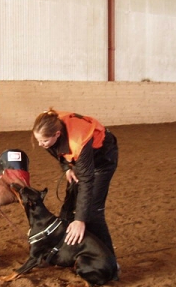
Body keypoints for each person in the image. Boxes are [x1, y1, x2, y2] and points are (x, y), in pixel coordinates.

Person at [32, 108, 118, 253]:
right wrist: (66, 168)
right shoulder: (48, 125)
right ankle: (64, 249)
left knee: (92, 211)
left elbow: (86, 181)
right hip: (81, 159)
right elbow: (57, 150)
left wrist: (80, 220)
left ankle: (110, 260)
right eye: (38, 140)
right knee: (70, 202)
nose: (40, 144)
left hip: (103, 160)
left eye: (44, 140)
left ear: (57, 134)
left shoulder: (77, 143)